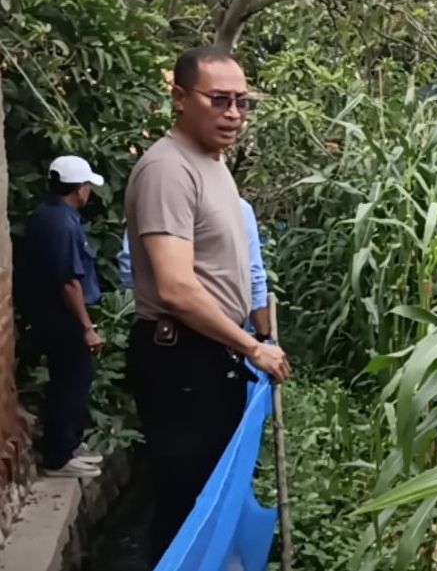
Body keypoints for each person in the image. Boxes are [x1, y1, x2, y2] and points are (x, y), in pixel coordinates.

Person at [124, 44, 290, 562]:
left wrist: (252, 337)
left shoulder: (212, 165)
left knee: (208, 498)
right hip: (182, 359)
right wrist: (253, 347)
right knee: (186, 507)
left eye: (243, 101)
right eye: (219, 100)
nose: (234, 113)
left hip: (212, 355)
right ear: (179, 97)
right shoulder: (168, 170)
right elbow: (175, 287)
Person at [14, 156, 106, 478]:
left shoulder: (46, 215)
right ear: (79, 189)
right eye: (87, 186)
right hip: (62, 317)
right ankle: (58, 457)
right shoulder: (63, 225)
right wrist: (87, 327)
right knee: (72, 382)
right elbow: (69, 282)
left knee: (68, 380)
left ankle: (68, 444)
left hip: (48, 314)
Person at [117, 196, 272, 338]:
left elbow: (128, 270)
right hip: (219, 330)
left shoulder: (151, 206)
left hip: (161, 330)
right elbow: (252, 276)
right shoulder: (236, 207)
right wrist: (263, 337)